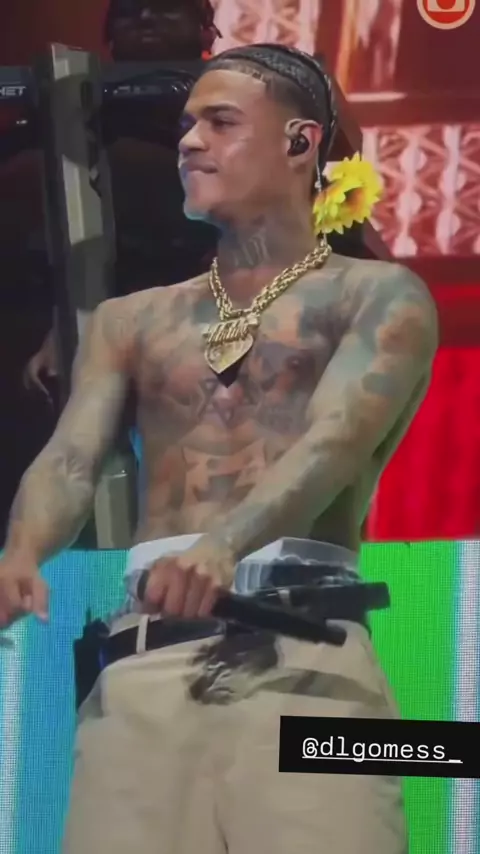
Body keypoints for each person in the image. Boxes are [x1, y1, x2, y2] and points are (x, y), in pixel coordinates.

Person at [0, 44, 437, 853]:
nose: (189, 142)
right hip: (141, 670)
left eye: (220, 122)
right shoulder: (131, 320)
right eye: (186, 125)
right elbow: (71, 458)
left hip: (308, 661)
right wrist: (21, 550)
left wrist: (225, 544)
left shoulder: (376, 294)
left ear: (301, 142)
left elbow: (337, 440)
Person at [24, 0, 220, 393]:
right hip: (89, 285)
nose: (145, 18)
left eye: (165, 9)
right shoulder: (72, 101)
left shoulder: (243, 98)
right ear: (109, 38)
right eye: (128, 12)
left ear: (205, 32)